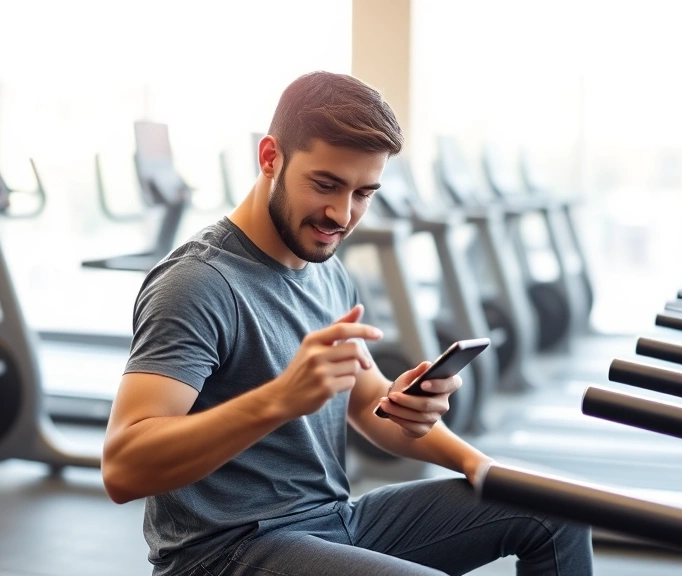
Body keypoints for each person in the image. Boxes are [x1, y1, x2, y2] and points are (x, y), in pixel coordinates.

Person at [101, 71, 593, 576]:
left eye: (364, 193)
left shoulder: (326, 271)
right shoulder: (197, 283)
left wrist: (473, 461)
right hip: (224, 552)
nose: (341, 213)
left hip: (333, 520)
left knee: (555, 509)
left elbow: (367, 403)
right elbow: (122, 468)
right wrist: (278, 400)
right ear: (270, 157)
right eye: (326, 184)